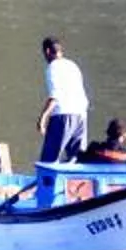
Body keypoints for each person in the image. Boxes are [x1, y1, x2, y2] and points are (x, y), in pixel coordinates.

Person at [36, 35, 88, 165]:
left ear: (47, 51)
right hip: (81, 115)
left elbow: (55, 96)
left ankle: (46, 179)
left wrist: (42, 119)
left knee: (49, 161)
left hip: (63, 115)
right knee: (77, 160)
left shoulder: (53, 67)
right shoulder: (73, 65)